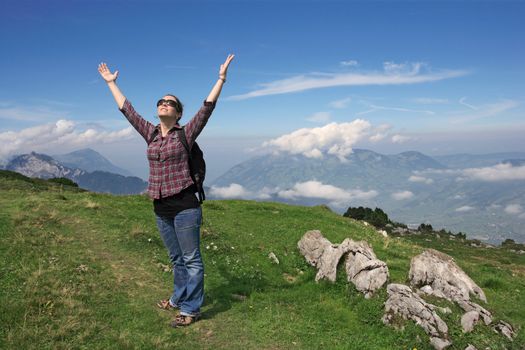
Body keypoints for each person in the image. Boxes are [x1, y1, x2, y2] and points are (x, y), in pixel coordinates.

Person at [97, 54, 235, 327]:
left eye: (169, 103)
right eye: (160, 102)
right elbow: (128, 110)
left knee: (191, 259)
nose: (164, 104)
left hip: (185, 205)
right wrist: (111, 83)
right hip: (160, 206)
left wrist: (220, 79)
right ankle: (177, 298)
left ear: (179, 113)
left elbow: (207, 108)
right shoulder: (150, 133)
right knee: (176, 258)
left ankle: (191, 309)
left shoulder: (186, 133)